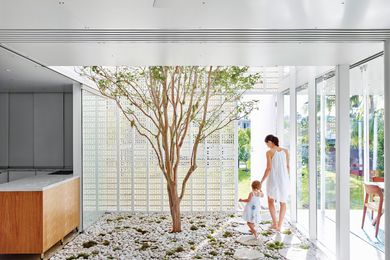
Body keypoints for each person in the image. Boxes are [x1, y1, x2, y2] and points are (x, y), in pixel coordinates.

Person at [260, 134, 290, 231]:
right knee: (283, 202)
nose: (267, 145)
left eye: (266, 143)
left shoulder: (269, 152)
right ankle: (279, 226)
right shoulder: (285, 151)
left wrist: (261, 181)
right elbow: (288, 167)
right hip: (284, 179)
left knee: (270, 200)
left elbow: (268, 169)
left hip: (273, 178)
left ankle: (274, 223)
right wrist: (287, 178)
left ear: (270, 141)